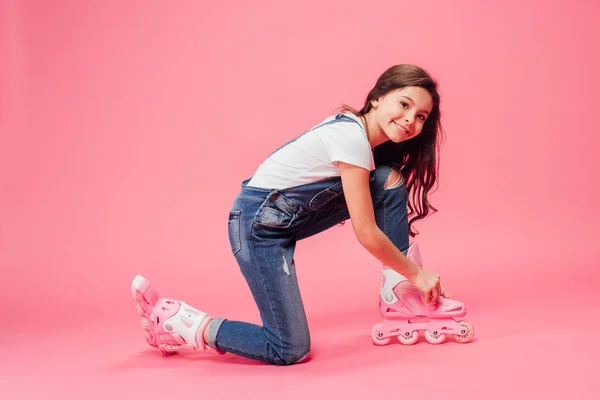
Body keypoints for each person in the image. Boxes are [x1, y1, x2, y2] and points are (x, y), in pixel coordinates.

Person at [132, 64, 451, 365]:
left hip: (280, 216)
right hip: (258, 227)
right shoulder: (351, 137)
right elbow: (365, 232)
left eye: (421, 116)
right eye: (405, 104)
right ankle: (181, 322)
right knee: (288, 347)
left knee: (386, 180)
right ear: (378, 97)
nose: (411, 119)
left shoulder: (359, 141)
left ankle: (399, 296)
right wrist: (417, 273)